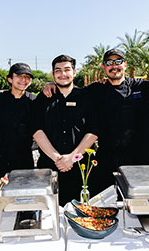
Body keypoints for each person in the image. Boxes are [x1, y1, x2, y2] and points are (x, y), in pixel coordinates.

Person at [44, 49, 149, 196]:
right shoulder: (95, 89)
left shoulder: (141, 86)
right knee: (101, 204)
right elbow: (70, 90)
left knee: (133, 202)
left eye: (118, 62)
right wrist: (52, 84)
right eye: (109, 63)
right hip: (104, 160)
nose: (114, 66)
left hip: (136, 160)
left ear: (125, 65)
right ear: (104, 67)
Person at [33, 55, 98, 206]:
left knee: (82, 212)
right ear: (53, 73)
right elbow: (37, 130)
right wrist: (57, 158)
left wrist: (72, 158)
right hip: (49, 167)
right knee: (49, 213)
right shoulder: (43, 99)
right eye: (58, 70)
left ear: (74, 72)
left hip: (81, 168)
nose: (63, 74)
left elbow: (93, 130)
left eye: (67, 70)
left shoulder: (87, 98)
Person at [0, 63, 36, 177]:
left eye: (27, 77)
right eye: (19, 76)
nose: (23, 80)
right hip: (2, 158)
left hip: (27, 159)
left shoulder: (34, 101)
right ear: (10, 79)